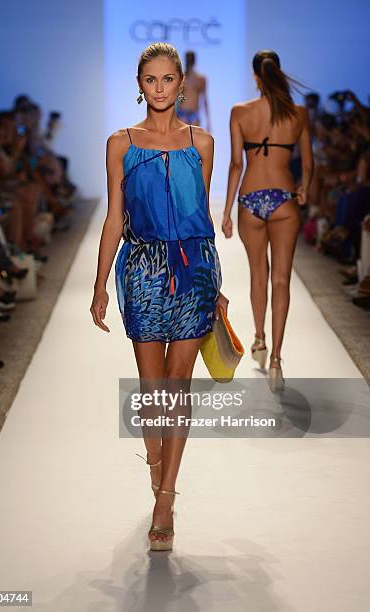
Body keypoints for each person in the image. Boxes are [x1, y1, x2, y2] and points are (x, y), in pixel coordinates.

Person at [90, 42, 228, 551]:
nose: (161, 88)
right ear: (139, 85)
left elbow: (203, 221)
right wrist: (100, 281)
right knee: (152, 391)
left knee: (178, 386)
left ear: (181, 84)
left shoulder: (204, 142)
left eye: (169, 79)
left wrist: (218, 288)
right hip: (143, 267)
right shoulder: (120, 143)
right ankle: (156, 461)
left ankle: (165, 497)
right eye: (152, 80)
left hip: (193, 271)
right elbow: (113, 217)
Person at [222, 50, 313, 392]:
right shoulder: (298, 114)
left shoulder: (240, 112)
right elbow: (308, 162)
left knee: (258, 274)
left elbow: (235, 164)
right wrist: (304, 188)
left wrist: (228, 209)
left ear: (255, 77)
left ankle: (259, 339)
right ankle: (276, 357)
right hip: (284, 201)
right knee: (282, 280)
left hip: (250, 200)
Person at [176, 50, 211, 131]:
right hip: (182, 114)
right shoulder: (181, 78)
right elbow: (176, 98)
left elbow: (204, 100)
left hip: (194, 114)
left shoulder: (201, 79)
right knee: (183, 142)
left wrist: (208, 121)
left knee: (194, 142)